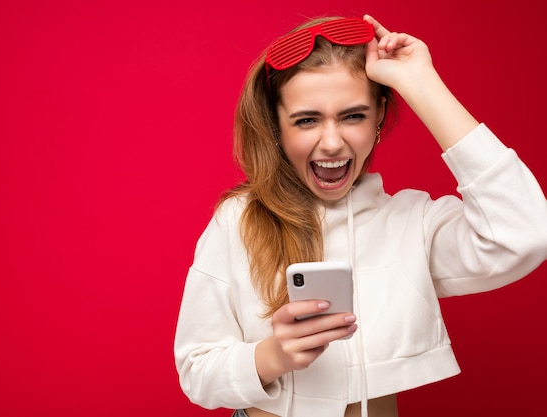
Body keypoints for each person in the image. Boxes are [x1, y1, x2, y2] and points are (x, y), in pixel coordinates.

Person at [174, 14, 547, 417]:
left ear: (379, 119)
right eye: (306, 120)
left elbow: (526, 232)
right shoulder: (239, 220)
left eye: (353, 116)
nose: (332, 142)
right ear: (277, 128)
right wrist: (273, 355)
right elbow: (197, 373)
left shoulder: (413, 223)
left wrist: (423, 84)